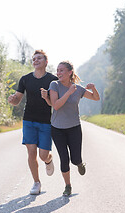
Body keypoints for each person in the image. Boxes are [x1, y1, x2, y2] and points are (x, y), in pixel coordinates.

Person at [8, 50, 58, 195]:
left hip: (46, 122)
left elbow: (55, 102)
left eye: (39, 58)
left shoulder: (53, 80)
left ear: (46, 62)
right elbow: (17, 99)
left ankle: (48, 160)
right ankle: (36, 182)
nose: (36, 60)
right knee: (31, 151)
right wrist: (12, 101)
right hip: (28, 120)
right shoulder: (25, 79)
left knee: (43, 155)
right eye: (34, 59)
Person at [48, 61, 100, 196]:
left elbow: (96, 98)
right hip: (57, 128)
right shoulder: (54, 85)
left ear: (70, 72)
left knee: (75, 159)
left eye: (61, 71)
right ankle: (68, 186)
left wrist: (93, 88)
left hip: (74, 128)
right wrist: (68, 92)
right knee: (64, 159)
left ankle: (80, 163)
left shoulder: (78, 89)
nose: (58, 73)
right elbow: (56, 105)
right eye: (57, 70)